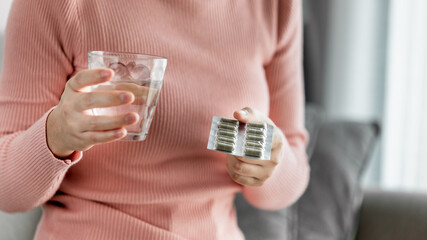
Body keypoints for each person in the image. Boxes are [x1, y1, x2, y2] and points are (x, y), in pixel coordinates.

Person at [0, 0, 309, 239]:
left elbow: (292, 167)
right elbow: (7, 190)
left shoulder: (276, 6)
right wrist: (56, 134)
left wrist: (268, 163)